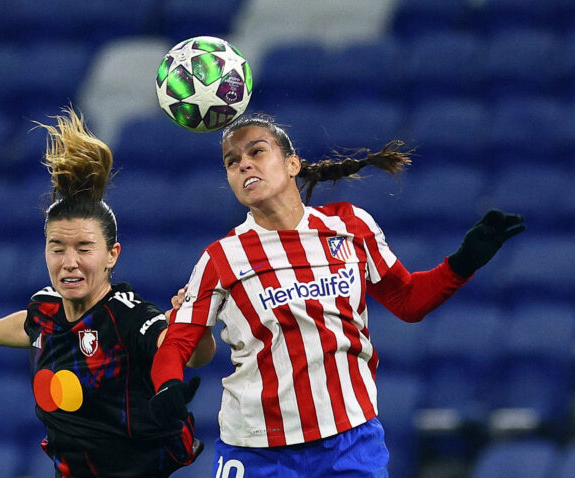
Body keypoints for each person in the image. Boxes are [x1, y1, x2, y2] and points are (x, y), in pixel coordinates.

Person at [148, 114, 525, 477]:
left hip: (350, 442)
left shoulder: (350, 226)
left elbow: (408, 301)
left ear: (292, 164)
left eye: (257, 151)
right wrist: (166, 386)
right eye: (232, 162)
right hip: (258, 450)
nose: (244, 164)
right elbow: (178, 342)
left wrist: (462, 262)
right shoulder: (221, 258)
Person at [0, 107, 215, 478]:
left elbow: (183, 351)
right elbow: (29, 325)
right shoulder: (46, 307)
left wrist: (198, 326)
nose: (69, 263)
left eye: (84, 248)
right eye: (57, 248)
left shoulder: (127, 315)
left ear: (112, 255)